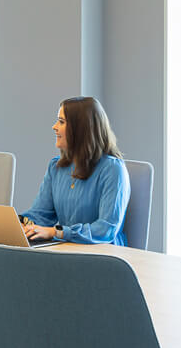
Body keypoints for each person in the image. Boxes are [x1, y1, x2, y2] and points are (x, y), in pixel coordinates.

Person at [20, 96, 130, 245]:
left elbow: (106, 229)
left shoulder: (113, 169)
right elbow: (41, 214)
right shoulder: (56, 167)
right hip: (68, 249)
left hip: (104, 255)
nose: (54, 127)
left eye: (61, 122)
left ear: (81, 129)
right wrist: (21, 223)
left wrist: (57, 232)